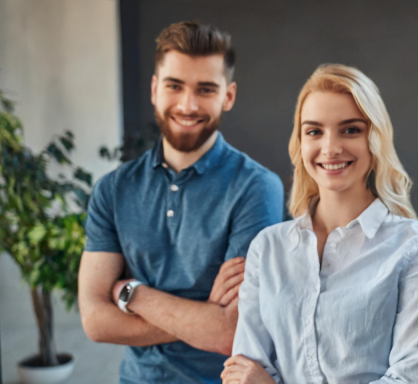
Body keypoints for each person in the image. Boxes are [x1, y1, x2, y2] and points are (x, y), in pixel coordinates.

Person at [78, 21, 284, 383]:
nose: (188, 105)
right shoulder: (112, 189)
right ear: (156, 89)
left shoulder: (257, 187)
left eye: (205, 89)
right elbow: (95, 321)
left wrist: (131, 293)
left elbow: (229, 331)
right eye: (175, 86)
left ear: (228, 96)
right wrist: (202, 316)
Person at [221, 64, 418, 384]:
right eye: (314, 131)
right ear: (300, 143)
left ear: (375, 139)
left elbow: (413, 379)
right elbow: (243, 374)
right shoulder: (268, 247)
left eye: (350, 129)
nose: (330, 148)